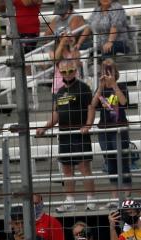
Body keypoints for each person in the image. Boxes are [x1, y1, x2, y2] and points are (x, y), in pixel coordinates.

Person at [36, 59, 96, 212]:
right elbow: (56, 114)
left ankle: (91, 199)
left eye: (70, 71)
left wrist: (88, 125)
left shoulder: (83, 88)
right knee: (67, 169)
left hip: (79, 133)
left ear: (75, 70)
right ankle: (70, 200)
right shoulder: (60, 91)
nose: (67, 74)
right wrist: (44, 127)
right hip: (64, 134)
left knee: (84, 168)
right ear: (59, 72)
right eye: (63, 72)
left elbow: (91, 108)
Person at [91, 58, 131, 198]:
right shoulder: (100, 88)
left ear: (115, 72)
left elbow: (124, 102)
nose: (107, 73)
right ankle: (115, 195)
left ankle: (126, 193)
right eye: (105, 70)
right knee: (110, 161)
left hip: (119, 128)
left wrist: (113, 85)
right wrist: (101, 87)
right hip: (105, 129)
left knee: (123, 159)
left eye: (110, 70)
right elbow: (93, 104)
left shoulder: (122, 86)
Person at [51, 29, 81, 95]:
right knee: (58, 105)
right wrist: (62, 43)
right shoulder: (52, 51)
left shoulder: (74, 50)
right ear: (58, 38)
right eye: (63, 36)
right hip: (59, 85)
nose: (66, 38)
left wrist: (72, 45)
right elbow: (55, 59)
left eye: (68, 36)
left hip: (74, 84)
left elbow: (77, 64)